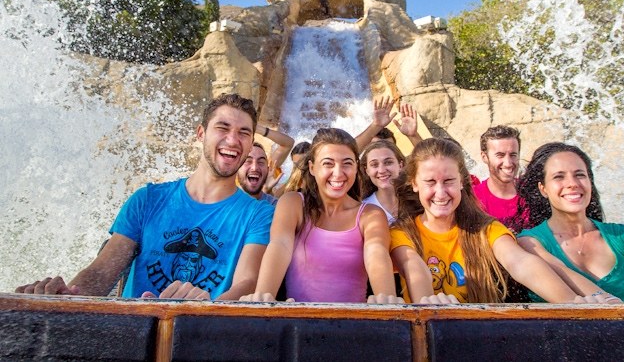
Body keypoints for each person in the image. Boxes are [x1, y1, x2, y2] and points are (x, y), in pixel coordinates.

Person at [15, 93, 275, 300]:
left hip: (203, 337)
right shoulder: (147, 200)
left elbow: (247, 281)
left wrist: (206, 309)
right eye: (223, 127)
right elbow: (103, 271)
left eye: (244, 133)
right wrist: (64, 297)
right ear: (201, 134)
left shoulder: (259, 214)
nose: (233, 139)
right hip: (132, 335)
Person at [389, 138, 612, 304]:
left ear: (461, 183)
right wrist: (429, 305)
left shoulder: (486, 229)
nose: (440, 192)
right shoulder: (402, 233)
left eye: (448, 181)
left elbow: (520, 263)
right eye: (430, 182)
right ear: (414, 184)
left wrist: (573, 305)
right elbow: (415, 270)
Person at [516, 142, 624, 302]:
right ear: (543, 189)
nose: (572, 183)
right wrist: (621, 307)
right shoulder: (529, 242)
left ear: (590, 183)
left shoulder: (622, 237)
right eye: (559, 177)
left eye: (579, 175)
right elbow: (562, 272)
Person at [241, 128, 402, 303]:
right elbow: (280, 246)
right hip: (298, 322)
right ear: (312, 167)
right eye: (328, 163)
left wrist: (386, 299)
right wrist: (264, 295)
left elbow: (376, 253)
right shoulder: (293, 204)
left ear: (357, 168)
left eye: (347, 163)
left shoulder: (370, 214)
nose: (338, 173)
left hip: (355, 325)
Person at [472, 125, 531, 234]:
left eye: (513, 155)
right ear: (484, 157)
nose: (508, 163)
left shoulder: (530, 192)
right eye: (500, 155)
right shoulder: (473, 198)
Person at [360, 140, 406, 225]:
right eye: (374, 164)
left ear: (400, 166)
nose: (381, 170)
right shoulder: (362, 210)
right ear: (367, 170)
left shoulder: (418, 201)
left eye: (388, 162)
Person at [354, 96, 422, 153]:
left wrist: (413, 136)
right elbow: (347, 152)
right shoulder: (360, 168)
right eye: (376, 146)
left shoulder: (401, 167)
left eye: (389, 147)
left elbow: (428, 160)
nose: (383, 152)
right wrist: (375, 126)